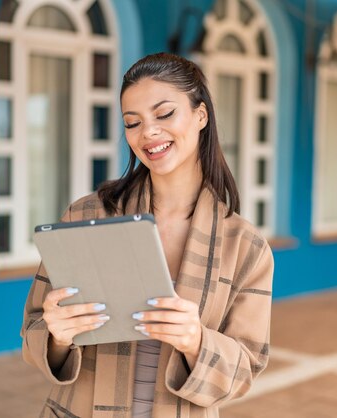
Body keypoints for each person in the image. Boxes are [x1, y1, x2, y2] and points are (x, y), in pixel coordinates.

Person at [20, 52, 274, 418]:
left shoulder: (246, 247)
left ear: (201, 115)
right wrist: (57, 335)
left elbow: (247, 368)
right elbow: (33, 330)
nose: (148, 132)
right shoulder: (86, 215)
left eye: (165, 113)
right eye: (132, 122)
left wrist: (195, 340)